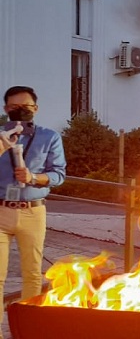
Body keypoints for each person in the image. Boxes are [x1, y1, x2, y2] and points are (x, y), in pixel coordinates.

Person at [0, 86, 66, 311]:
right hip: (0, 211)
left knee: (32, 274)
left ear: (35, 109)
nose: (20, 111)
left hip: (33, 211)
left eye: (26, 107)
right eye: (14, 107)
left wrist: (34, 177)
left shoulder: (50, 137)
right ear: (6, 109)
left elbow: (59, 174)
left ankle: (28, 330)